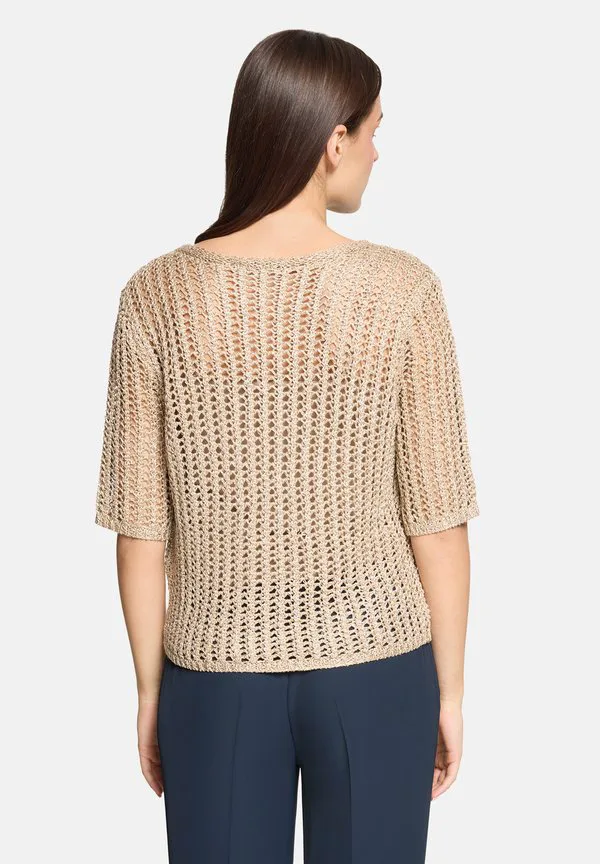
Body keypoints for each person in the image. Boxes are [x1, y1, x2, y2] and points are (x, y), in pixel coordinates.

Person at [94, 28, 480, 864]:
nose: (377, 154)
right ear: (333, 141)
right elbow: (439, 523)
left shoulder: (155, 296)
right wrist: (449, 692)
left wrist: (151, 692)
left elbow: (140, 532)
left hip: (212, 677)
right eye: (373, 131)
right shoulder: (404, 290)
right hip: (379, 670)